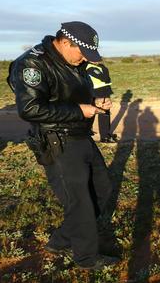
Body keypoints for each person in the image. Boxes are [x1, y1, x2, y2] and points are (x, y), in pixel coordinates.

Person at [8, 21, 118, 270]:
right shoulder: (32, 64)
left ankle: (60, 240)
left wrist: (97, 101)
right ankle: (86, 258)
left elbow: (76, 90)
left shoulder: (76, 61)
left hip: (81, 135)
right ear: (65, 42)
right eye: (82, 52)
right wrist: (80, 110)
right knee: (79, 201)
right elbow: (30, 109)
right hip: (57, 141)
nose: (84, 59)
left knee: (103, 189)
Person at [86, 62, 118, 143]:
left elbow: (106, 78)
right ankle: (101, 136)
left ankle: (105, 135)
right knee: (97, 113)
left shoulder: (98, 67)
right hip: (97, 92)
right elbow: (105, 78)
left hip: (104, 91)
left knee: (105, 113)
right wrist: (104, 69)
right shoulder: (89, 67)